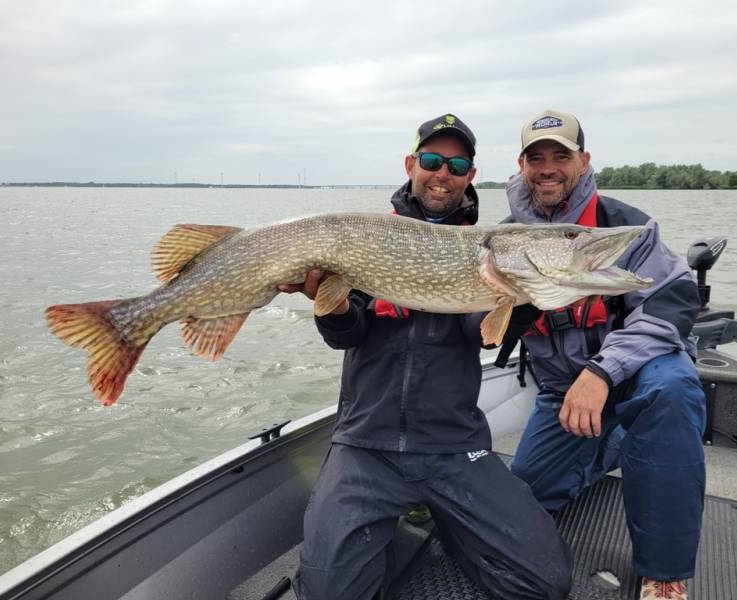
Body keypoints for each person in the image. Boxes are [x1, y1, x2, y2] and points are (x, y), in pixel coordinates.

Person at [280, 114, 573, 600]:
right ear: (412, 164)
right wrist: (327, 304)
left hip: (453, 445)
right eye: (433, 161)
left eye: (457, 165)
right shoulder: (365, 237)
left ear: (470, 177)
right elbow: (345, 335)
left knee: (545, 583)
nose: (443, 174)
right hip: (366, 444)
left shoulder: (482, 251)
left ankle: (454, 529)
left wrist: (523, 298)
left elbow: (481, 335)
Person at [503, 109, 706, 600]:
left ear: (583, 160)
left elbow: (673, 299)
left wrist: (602, 371)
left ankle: (664, 572)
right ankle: (614, 444)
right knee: (523, 499)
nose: (548, 167)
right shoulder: (505, 239)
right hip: (563, 393)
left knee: (673, 391)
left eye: (561, 156)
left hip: (635, 375)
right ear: (522, 165)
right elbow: (488, 331)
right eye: (537, 158)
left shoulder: (626, 226)